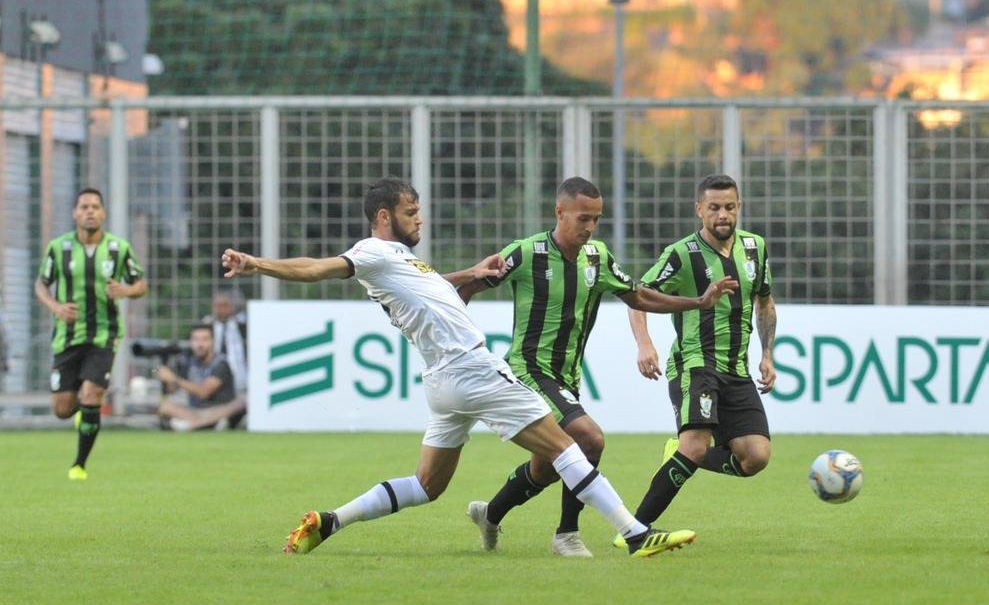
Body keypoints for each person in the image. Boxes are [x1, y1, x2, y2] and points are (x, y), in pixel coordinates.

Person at [220, 176, 696, 558]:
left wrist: (471, 274)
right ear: (384, 217)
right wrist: (256, 264)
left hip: (443, 382)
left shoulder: (400, 261)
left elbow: (432, 292)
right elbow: (314, 268)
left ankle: (330, 520)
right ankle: (633, 533)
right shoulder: (369, 252)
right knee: (569, 446)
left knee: (427, 486)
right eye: (410, 212)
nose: (419, 218)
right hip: (471, 368)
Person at [456, 176, 736, 557]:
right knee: (589, 439)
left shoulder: (598, 258)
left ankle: (491, 513)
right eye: (582, 218)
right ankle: (566, 535)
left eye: (596, 220)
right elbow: (470, 286)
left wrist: (697, 303)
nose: (589, 227)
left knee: (546, 466)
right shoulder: (525, 253)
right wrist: (457, 341)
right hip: (527, 370)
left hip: (567, 377)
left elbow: (638, 295)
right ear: (560, 212)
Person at [616, 174, 776, 542]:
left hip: (736, 370)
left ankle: (686, 454)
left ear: (739, 208)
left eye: (730, 207)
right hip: (695, 365)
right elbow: (638, 297)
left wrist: (767, 354)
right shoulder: (681, 254)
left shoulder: (755, 248)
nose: (723, 215)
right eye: (715, 207)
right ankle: (634, 531)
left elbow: (764, 302)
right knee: (695, 443)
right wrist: (644, 344)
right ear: (699, 210)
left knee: (755, 458)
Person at [34, 187, 147, 480]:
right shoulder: (58, 248)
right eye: (84, 206)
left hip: (104, 335)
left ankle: (79, 465)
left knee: (92, 392)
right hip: (67, 337)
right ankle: (84, 412)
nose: (90, 211)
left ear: (104, 213)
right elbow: (41, 284)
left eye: (96, 206)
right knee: (62, 408)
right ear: (75, 213)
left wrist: (125, 290)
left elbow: (141, 284)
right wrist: (56, 306)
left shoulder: (118, 249)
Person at [156, 323, 246, 431]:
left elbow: (204, 392)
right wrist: (164, 375)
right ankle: (200, 424)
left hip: (218, 410)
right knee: (165, 406)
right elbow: (171, 390)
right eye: (196, 339)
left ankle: (193, 424)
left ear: (213, 341)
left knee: (240, 403)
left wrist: (174, 379)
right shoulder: (188, 362)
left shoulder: (221, 363)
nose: (200, 344)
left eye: (205, 339)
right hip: (195, 412)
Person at [201, 289, 248, 396]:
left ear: (233, 306)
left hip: (242, 380)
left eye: (225, 305)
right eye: (217, 305)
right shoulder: (207, 325)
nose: (221, 309)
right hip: (214, 381)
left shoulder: (243, 325)